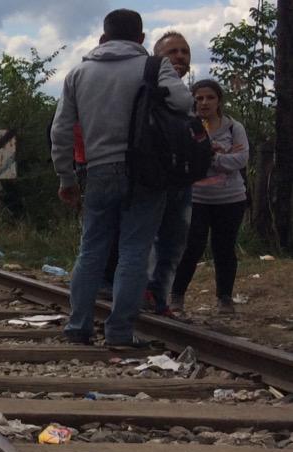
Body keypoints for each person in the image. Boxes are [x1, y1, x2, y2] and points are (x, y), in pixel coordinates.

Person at [49, 9, 192, 346]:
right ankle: (119, 332)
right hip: (145, 172)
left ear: (104, 37)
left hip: (98, 170)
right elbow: (184, 102)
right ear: (141, 39)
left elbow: (61, 131)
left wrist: (65, 178)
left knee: (91, 249)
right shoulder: (154, 67)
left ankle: (78, 327)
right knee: (134, 251)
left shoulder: (79, 73)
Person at [171, 80, 249, 315]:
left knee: (224, 248)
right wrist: (214, 153)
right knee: (192, 246)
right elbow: (183, 160)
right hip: (196, 198)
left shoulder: (235, 128)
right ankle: (177, 295)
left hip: (230, 198)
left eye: (210, 98)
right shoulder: (188, 127)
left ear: (219, 101)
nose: (204, 102)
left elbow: (241, 159)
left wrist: (210, 158)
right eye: (199, 98)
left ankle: (224, 298)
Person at [141, 31, 196, 316]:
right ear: (156, 58)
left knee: (174, 244)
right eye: (172, 52)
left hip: (181, 179)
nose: (179, 57)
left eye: (184, 52)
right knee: (146, 240)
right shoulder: (147, 91)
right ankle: (141, 296)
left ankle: (159, 299)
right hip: (151, 178)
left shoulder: (187, 96)